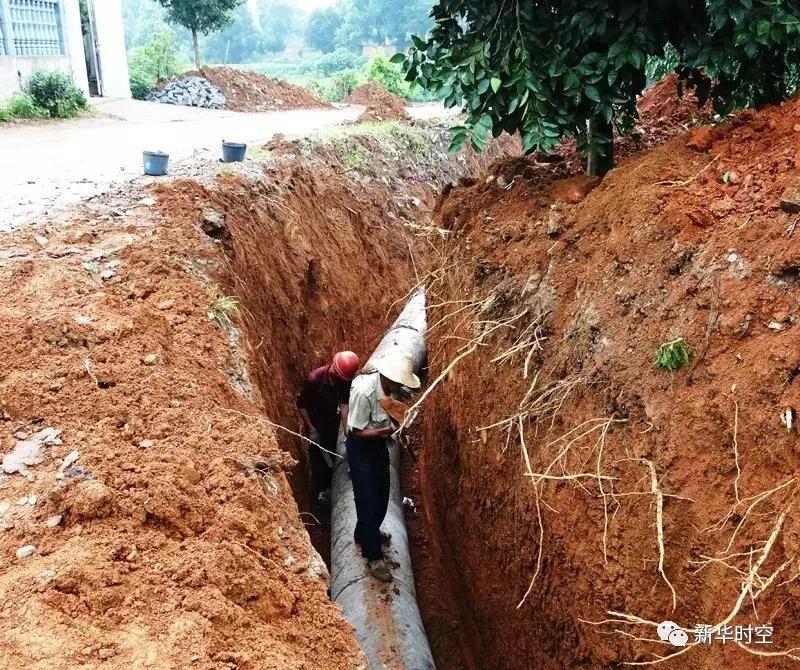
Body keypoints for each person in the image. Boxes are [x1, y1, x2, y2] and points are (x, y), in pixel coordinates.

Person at [347, 354, 420, 582]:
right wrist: (384, 431)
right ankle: (373, 557)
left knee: (382, 493)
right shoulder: (364, 392)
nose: (400, 388)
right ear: (388, 379)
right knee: (367, 501)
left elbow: (391, 409)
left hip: (378, 445)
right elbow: (356, 430)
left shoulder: (389, 388)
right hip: (361, 448)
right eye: (399, 383)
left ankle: (365, 533)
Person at [297, 351, 360, 509]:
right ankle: (321, 492)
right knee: (318, 458)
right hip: (316, 424)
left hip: (332, 421)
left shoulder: (343, 381)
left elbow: (344, 405)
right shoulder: (314, 380)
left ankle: (332, 480)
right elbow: (301, 405)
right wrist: (311, 429)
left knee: (332, 450)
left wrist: (347, 430)